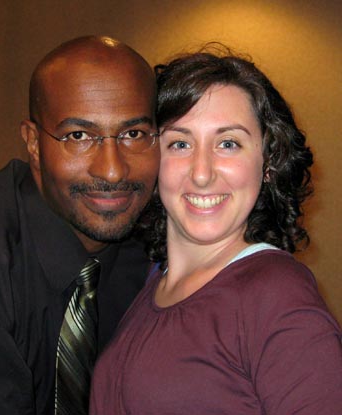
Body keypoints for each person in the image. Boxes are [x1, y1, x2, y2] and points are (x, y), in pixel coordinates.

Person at [90, 47, 342, 414]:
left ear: (268, 163)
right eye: (180, 143)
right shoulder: (145, 288)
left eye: (228, 143)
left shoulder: (276, 295)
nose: (202, 172)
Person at [0, 35, 160, 415]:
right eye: (78, 136)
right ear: (33, 143)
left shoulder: (163, 248)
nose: (112, 170)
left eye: (133, 134)